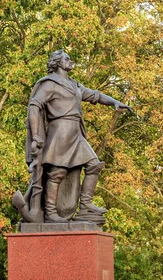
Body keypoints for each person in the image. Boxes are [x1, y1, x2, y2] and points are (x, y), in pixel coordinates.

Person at [22, 49, 133, 223]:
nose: (70, 61)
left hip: (76, 131)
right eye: (67, 58)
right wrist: (36, 135)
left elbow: (95, 95)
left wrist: (114, 102)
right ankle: (50, 212)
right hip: (60, 131)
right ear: (58, 62)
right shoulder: (49, 84)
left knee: (94, 165)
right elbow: (34, 106)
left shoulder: (75, 85)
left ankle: (86, 205)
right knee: (58, 172)